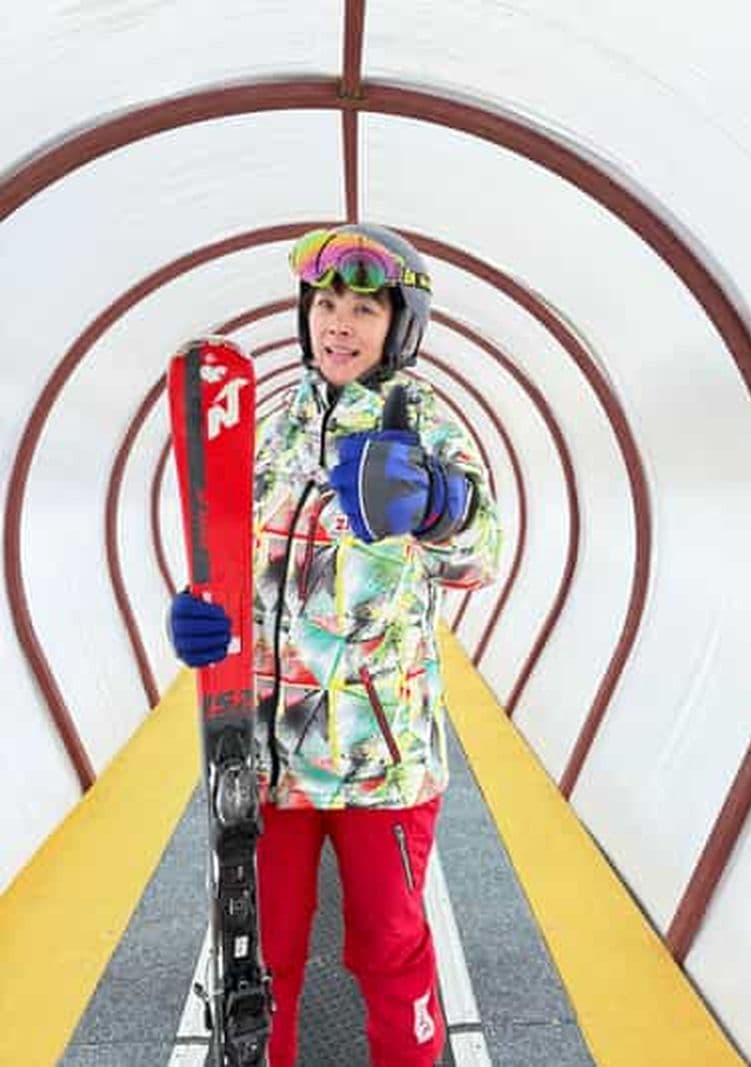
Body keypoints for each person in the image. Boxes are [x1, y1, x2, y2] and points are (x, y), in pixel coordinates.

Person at [169, 224, 502, 1067]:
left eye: (363, 306)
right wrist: (201, 617)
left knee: (389, 949)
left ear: (402, 324)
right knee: (262, 957)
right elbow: (231, 554)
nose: (339, 324)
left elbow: (480, 554)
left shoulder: (426, 423)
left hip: (378, 761)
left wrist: (435, 504)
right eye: (326, 304)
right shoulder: (272, 427)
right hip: (267, 759)